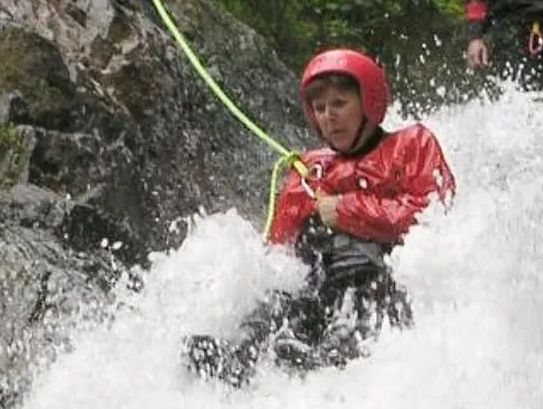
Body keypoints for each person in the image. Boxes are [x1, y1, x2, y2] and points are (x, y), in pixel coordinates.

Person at [186, 49, 454, 383]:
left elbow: (434, 215)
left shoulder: (413, 145)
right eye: (320, 108)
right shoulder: (309, 170)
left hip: (380, 281)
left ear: (368, 103)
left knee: (357, 306)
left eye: (340, 104)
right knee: (279, 305)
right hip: (320, 286)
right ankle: (238, 355)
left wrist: (346, 210)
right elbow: (276, 253)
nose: (329, 116)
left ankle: (326, 360)